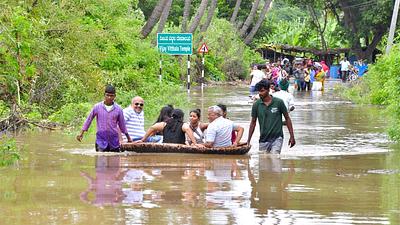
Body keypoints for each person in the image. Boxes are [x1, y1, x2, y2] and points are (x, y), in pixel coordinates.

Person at [76, 84, 131, 152]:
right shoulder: (97, 107)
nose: (109, 97)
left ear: (115, 96)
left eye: (111, 96)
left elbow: (122, 125)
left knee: (114, 160)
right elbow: (89, 120)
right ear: (104, 95)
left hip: (114, 141)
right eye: (107, 95)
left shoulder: (118, 109)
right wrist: (81, 133)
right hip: (101, 140)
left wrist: (128, 138)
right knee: (100, 159)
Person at [247, 80, 295, 154]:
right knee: (263, 161)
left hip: (277, 137)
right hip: (263, 139)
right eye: (259, 91)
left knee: (275, 158)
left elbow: (287, 118)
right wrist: (248, 141)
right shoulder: (256, 105)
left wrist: (292, 136)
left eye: (262, 91)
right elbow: (253, 123)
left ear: (268, 90)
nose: (260, 93)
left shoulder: (279, 102)